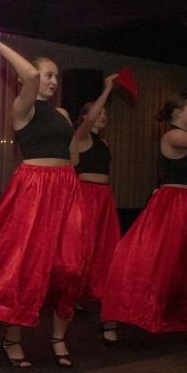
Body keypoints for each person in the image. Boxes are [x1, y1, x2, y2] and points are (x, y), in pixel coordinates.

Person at [0, 44, 84, 367]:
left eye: (56, 76)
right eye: (48, 75)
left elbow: (73, 154)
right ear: (25, 79)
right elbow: (31, 76)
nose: (53, 81)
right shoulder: (23, 109)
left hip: (65, 188)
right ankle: (12, 338)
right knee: (26, 266)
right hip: (35, 189)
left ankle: (58, 338)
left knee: (70, 265)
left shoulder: (63, 115)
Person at [102, 92, 187, 345]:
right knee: (149, 263)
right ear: (177, 113)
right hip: (172, 205)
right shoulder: (172, 136)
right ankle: (112, 318)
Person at [73, 76, 122, 345]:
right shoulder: (80, 137)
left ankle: (96, 293)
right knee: (84, 246)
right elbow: (90, 120)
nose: (103, 116)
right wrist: (107, 89)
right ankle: (71, 294)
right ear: (86, 117)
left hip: (104, 197)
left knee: (106, 249)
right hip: (86, 196)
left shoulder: (104, 143)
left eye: (105, 113)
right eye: (98, 112)